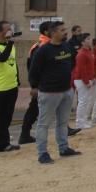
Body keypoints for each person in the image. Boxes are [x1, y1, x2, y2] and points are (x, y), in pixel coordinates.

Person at [28, 20, 81, 163]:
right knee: (43, 124)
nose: (65, 32)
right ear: (53, 33)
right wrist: (34, 86)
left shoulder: (67, 47)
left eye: (65, 29)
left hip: (66, 90)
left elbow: (72, 62)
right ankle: (42, 153)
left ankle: (63, 148)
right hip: (49, 92)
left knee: (63, 122)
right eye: (62, 30)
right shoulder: (43, 50)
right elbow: (34, 71)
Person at [0, 21, 20, 152]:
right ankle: (1, 143)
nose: (10, 31)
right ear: (0, 32)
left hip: (12, 87)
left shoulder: (10, 46)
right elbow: (2, 58)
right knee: (0, 117)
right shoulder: (6, 46)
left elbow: (13, 63)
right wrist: (11, 42)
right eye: (7, 29)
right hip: (0, 89)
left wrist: (17, 80)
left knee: (7, 117)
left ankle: (4, 142)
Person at [72, 35, 96, 129]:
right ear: (82, 42)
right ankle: (79, 122)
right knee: (82, 101)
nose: (90, 40)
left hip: (87, 79)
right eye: (88, 39)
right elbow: (81, 69)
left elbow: (91, 67)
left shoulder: (89, 52)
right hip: (80, 79)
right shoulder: (81, 54)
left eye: (90, 38)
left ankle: (84, 120)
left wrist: (93, 77)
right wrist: (86, 81)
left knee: (86, 101)